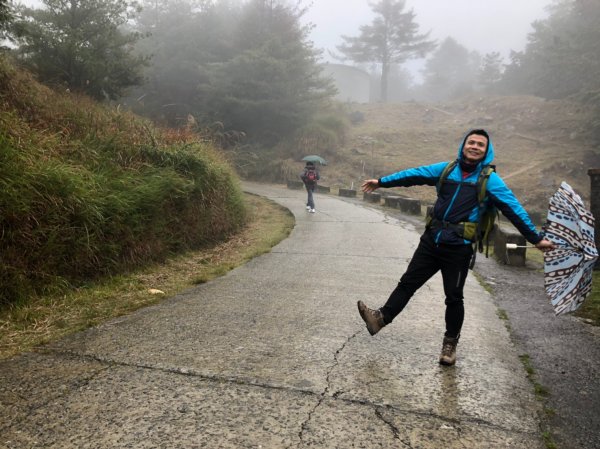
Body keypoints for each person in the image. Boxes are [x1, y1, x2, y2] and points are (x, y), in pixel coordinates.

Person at [357, 129, 555, 366]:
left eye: (480, 144)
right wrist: (382, 182)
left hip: (459, 247)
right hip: (432, 240)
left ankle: (450, 345)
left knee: (453, 297)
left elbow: (513, 208)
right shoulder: (446, 169)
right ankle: (380, 319)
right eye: (471, 142)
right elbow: (414, 174)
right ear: (463, 145)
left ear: (486, 151)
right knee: (407, 283)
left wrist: (535, 238)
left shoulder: (489, 180)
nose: (474, 146)